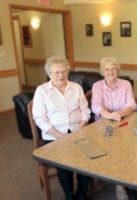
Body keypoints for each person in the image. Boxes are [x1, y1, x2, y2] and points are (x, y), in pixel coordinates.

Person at [32, 55, 91, 200]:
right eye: (57, 72)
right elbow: (39, 118)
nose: (61, 75)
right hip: (54, 136)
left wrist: (81, 128)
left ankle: (82, 194)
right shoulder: (42, 91)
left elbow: (85, 111)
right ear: (49, 74)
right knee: (64, 163)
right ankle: (69, 196)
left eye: (64, 71)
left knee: (89, 158)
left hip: (78, 131)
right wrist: (59, 136)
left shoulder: (76, 88)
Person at [91, 57, 137, 200]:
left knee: (125, 151)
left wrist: (120, 114)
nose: (110, 72)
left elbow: (132, 104)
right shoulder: (97, 86)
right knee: (108, 150)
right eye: (107, 69)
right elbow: (96, 107)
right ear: (102, 72)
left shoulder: (125, 84)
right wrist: (109, 115)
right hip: (103, 125)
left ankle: (120, 184)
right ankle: (113, 178)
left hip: (124, 123)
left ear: (117, 71)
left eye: (113, 69)